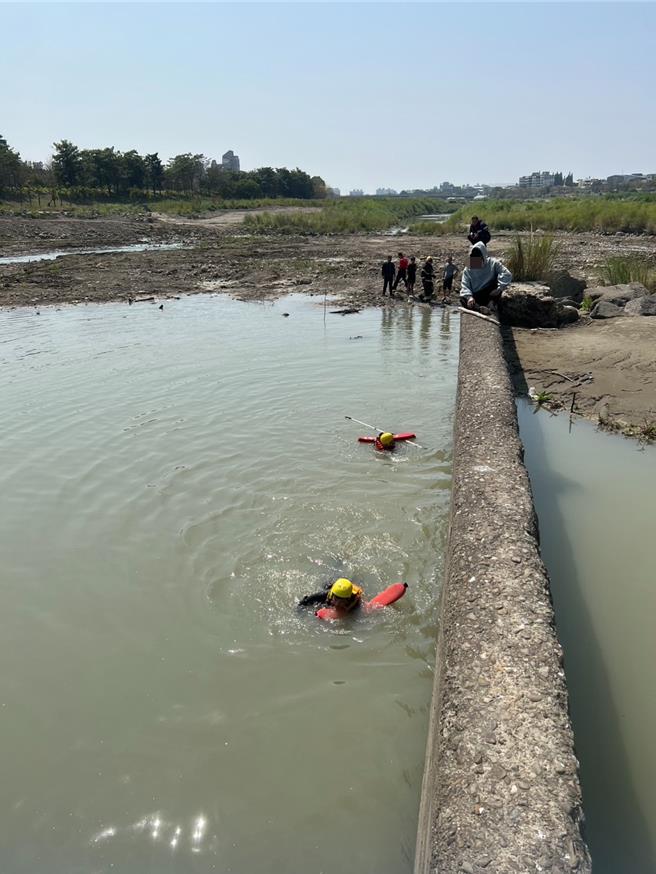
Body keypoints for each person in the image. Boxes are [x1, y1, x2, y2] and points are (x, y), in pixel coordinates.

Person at [459, 242, 512, 313]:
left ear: (483, 256)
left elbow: (507, 274)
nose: (476, 261)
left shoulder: (493, 263)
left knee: (496, 285)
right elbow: (465, 284)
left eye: (478, 259)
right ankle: (480, 309)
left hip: (490, 293)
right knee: (463, 299)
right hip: (475, 295)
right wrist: (469, 297)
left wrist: (500, 288)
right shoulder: (469, 266)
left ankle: (491, 304)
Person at [298, 577, 364, 613]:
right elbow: (305, 601)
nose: (337, 604)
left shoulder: (354, 601)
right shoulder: (324, 595)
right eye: (336, 599)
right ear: (332, 596)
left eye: (341, 601)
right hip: (331, 585)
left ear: (348, 599)